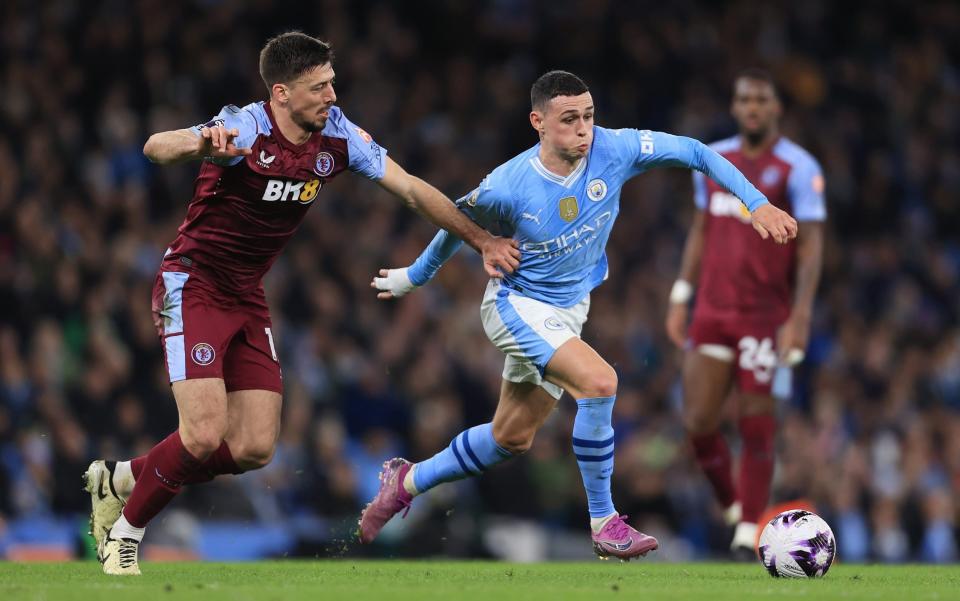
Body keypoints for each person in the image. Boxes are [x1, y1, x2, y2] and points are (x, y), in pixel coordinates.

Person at [82, 31, 520, 576]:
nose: (333, 95)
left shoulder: (337, 136)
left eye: (332, 82)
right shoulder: (245, 125)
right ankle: (124, 534)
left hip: (246, 295)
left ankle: (122, 477)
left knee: (254, 448)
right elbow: (155, 146)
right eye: (320, 87)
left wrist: (480, 240)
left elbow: (408, 187)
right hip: (191, 284)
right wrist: (204, 143)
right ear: (282, 93)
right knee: (201, 433)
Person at [359, 70, 797, 560]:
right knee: (600, 382)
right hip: (516, 305)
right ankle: (605, 521)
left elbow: (695, 150)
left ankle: (408, 480)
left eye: (589, 116)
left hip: (568, 311)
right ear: (539, 123)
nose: (584, 129)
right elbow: (453, 221)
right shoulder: (509, 184)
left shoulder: (616, 149)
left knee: (510, 438)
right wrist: (414, 277)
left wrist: (756, 203)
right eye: (569, 120)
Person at [664, 69, 825, 558]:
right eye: (744, 100)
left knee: (758, 422)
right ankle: (734, 505)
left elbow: (812, 247)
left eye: (761, 100)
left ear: (776, 108)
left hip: (764, 316)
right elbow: (701, 228)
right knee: (698, 421)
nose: (752, 108)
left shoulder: (797, 166)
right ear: (735, 107)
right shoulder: (713, 160)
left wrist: (799, 316)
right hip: (712, 309)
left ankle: (748, 528)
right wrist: (680, 293)